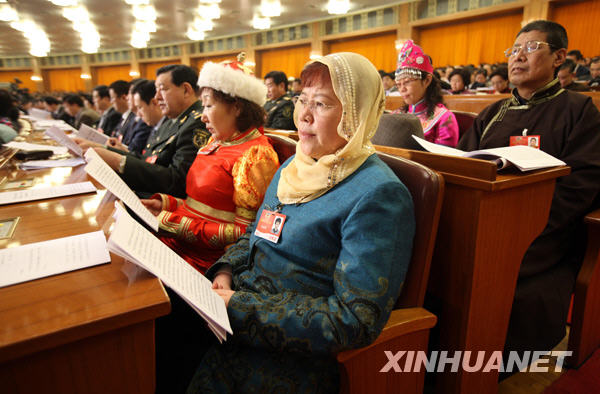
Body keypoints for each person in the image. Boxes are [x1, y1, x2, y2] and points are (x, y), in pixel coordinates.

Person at [187, 52, 415, 393]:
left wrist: (238, 306)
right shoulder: (296, 165)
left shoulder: (378, 194)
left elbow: (355, 319)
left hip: (292, 359)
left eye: (321, 104)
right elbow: (255, 231)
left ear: (356, 114)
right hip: (233, 328)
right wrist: (225, 272)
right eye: (301, 100)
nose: (303, 116)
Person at [458, 20, 600, 370]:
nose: (518, 56)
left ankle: (482, 365)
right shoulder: (492, 113)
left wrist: (524, 224)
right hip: (483, 220)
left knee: (490, 276)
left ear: (559, 57)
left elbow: (584, 181)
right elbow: (462, 167)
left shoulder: (578, 110)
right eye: (513, 50)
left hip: (544, 231)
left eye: (532, 48)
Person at [141, 58, 280, 274]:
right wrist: (166, 206)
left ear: (236, 107)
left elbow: (244, 233)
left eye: (209, 105)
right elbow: (199, 207)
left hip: (206, 262)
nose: (203, 116)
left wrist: (174, 224)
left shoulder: (255, 154)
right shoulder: (216, 142)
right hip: (181, 245)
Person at [83, 65, 210, 198]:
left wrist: (120, 162)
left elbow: (178, 181)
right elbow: (148, 160)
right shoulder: (172, 120)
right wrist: (104, 149)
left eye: (163, 89)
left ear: (186, 90)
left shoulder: (198, 122)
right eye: (156, 90)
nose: (157, 97)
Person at [394, 40, 459, 147]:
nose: (402, 89)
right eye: (398, 84)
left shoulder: (444, 118)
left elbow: (445, 160)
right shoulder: (396, 115)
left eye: (407, 82)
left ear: (427, 81)